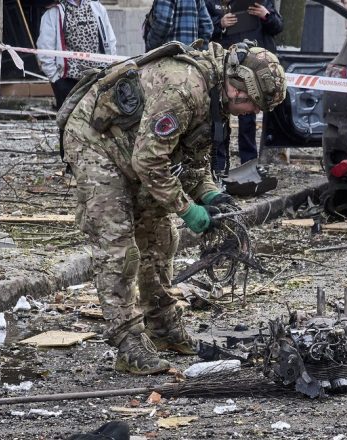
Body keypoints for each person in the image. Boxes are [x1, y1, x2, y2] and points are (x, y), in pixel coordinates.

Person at [60, 41, 286, 374]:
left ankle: (163, 325)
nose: (253, 113)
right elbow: (150, 161)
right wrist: (188, 210)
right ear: (239, 89)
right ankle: (128, 344)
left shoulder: (214, 98)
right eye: (254, 105)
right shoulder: (185, 90)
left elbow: (191, 160)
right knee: (118, 247)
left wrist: (211, 195)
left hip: (136, 151)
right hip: (97, 144)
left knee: (162, 237)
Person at [207, 0, 283, 173]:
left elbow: (278, 27)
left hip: (255, 69)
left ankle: (249, 164)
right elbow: (203, 28)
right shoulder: (212, 2)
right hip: (226, 67)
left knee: (248, 116)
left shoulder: (262, 1)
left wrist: (266, 15)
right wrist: (220, 24)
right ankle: (219, 166)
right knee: (220, 114)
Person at [36, 0, 117, 110]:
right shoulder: (53, 13)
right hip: (68, 82)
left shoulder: (97, 8)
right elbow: (45, 49)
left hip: (97, 78)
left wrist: (110, 67)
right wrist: (56, 79)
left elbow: (110, 40)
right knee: (69, 123)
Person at [144, 0, 214, 51]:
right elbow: (207, 26)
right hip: (191, 61)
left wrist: (151, 48)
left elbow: (163, 22)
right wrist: (198, 52)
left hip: (168, 60)